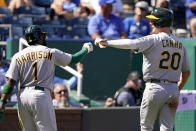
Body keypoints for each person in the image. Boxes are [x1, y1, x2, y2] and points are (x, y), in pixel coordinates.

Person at [95, 8, 190, 131]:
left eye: (153, 20)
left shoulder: (153, 39)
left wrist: (108, 43)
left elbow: (130, 43)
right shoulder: (181, 44)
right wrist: (177, 88)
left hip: (154, 87)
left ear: (160, 22)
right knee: (167, 128)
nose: (150, 23)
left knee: (146, 127)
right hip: (173, 89)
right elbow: (187, 72)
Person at [0, 25, 93, 131]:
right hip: (41, 95)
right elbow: (75, 59)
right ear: (39, 37)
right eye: (42, 36)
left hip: (23, 97)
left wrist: (2, 102)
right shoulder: (50, 52)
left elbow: (10, 82)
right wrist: (85, 49)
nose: (43, 38)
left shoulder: (17, 56)